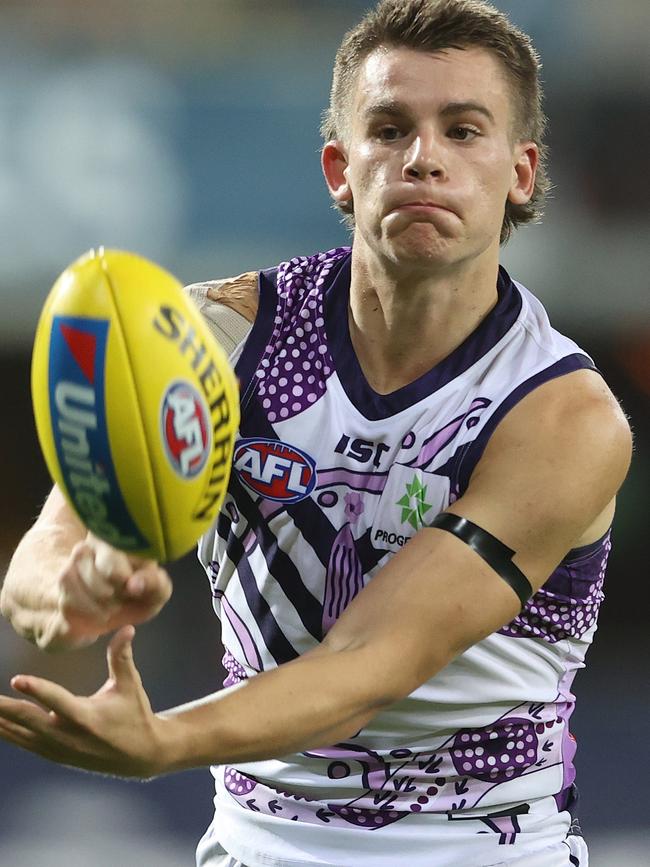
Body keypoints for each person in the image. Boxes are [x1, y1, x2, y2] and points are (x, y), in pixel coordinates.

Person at [0, 1, 632, 865]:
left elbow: (366, 665)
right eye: (388, 128)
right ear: (339, 168)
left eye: (463, 130)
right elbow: (37, 563)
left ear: (521, 171)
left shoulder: (563, 413)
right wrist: (74, 585)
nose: (422, 159)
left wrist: (161, 742)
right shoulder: (209, 337)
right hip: (256, 847)